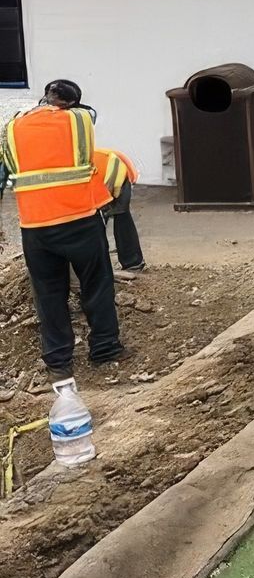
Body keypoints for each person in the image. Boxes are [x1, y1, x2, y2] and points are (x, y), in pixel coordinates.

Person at [0, 79, 124, 376]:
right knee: (96, 283)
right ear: (72, 103)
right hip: (80, 220)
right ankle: (105, 348)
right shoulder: (81, 120)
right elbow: (90, 112)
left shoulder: (12, 130)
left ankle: (58, 362)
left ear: (45, 97)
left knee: (48, 295)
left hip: (35, 227)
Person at [90, 145, 145, 275]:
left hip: (119, 173)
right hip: (113, 168)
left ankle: (132, 262)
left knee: (109, 219)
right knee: (98, 220)